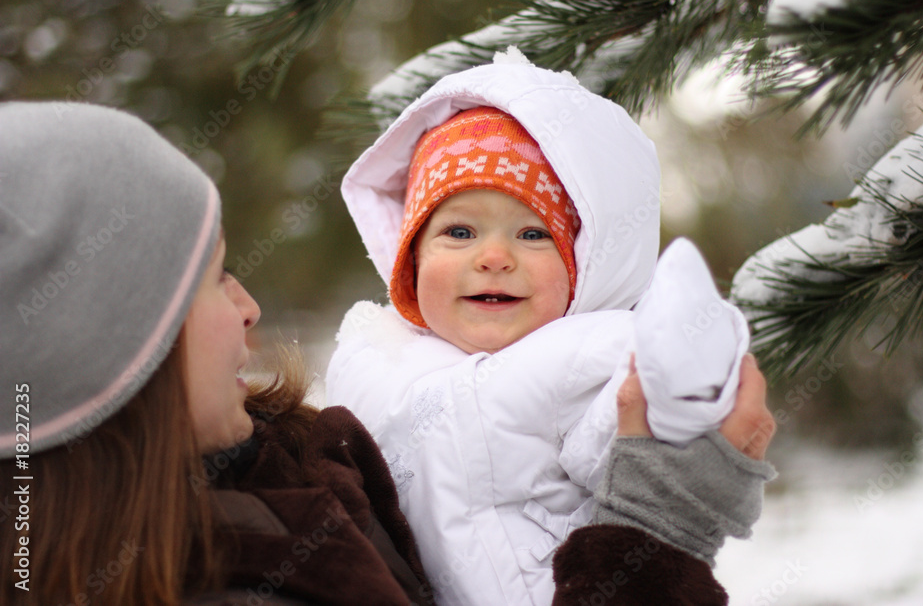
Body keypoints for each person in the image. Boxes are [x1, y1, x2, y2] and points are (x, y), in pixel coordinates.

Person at [0, 100, 775, 606]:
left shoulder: (283, 464)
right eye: (214, 277)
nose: (249, 307)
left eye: (532, 232)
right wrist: (657, 529)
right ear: (116, 356)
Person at [325, 51, 770, 605]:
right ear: (409, 260)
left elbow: (639, 430)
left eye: (534, 235)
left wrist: (688, 373)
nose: (492, 257)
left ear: (583, 266)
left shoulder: (581, 353)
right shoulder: (372, 354)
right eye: (459, 232)